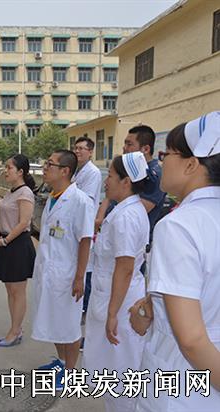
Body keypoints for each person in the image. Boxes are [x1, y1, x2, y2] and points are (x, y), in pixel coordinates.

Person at [129, 112, 220, 411]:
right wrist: (149, 305)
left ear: (191, 164)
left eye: (166, 154)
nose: (161, 162)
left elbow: (192, 339)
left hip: (186, 384)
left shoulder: (179, 225)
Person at [82, 152, 149, 412]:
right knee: (111, 365)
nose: (106, 181)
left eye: (110, 175)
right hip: (114, 295)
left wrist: (112, 314)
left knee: (120, 368)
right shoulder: (125, 210)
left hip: (119, 301)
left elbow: (125, 267)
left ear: (126, 181)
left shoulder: (126, 217)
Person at [31, 150, 93, 388]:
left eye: (50, 164)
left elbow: (85, 240)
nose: (45, 168)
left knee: (69, 325)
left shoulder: (80, 201)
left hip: (67, 275)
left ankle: (71, 373)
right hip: (49, 271)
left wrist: (79, 277)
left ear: (65, 171)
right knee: (54, 321)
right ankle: (60, 362)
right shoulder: (53, 197)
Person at [0, 154, 36, 347]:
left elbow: (24, 222)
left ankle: (15, 331)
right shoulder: (10, 192)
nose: (5, 171)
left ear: (20, 172)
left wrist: (6, 240)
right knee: (10, 289)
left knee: (18, 291)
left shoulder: (25, 193)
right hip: (6, 243)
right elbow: (4, 216)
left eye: (9, 167)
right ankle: (15, 328)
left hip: (17, 245)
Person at [95, 126, 166, 241]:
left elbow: (138, 211)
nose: (124, 148)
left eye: (129, 144)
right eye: (125, 143)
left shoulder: (154, 175)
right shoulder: (129, 167)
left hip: (129, 236)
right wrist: (99, 220)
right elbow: (109, 195)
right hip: (111, 231)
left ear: (146, 149)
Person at [72, 136, 103, 316]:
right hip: (76, 223)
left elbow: (86, 200)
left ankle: (84, 307)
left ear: (90, 152)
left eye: (81, 148)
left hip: (85, 223)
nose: (77, 151)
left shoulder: (93, 172)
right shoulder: (77, 170)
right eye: (76, 148)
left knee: (86, 268)